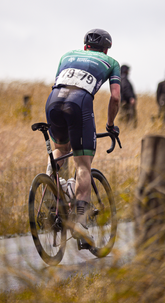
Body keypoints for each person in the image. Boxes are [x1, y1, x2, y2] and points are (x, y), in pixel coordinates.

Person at [45, 28, 121, 246]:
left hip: (53, 101)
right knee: (83, 165)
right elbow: (115, 97)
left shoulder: (67, 56)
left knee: (59, 149)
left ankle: (54, 190)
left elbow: (60, 82)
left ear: (85, 46)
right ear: (106, 49)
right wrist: (110, 124)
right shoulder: (111, 62)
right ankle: (79, 223)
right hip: (79, 104)